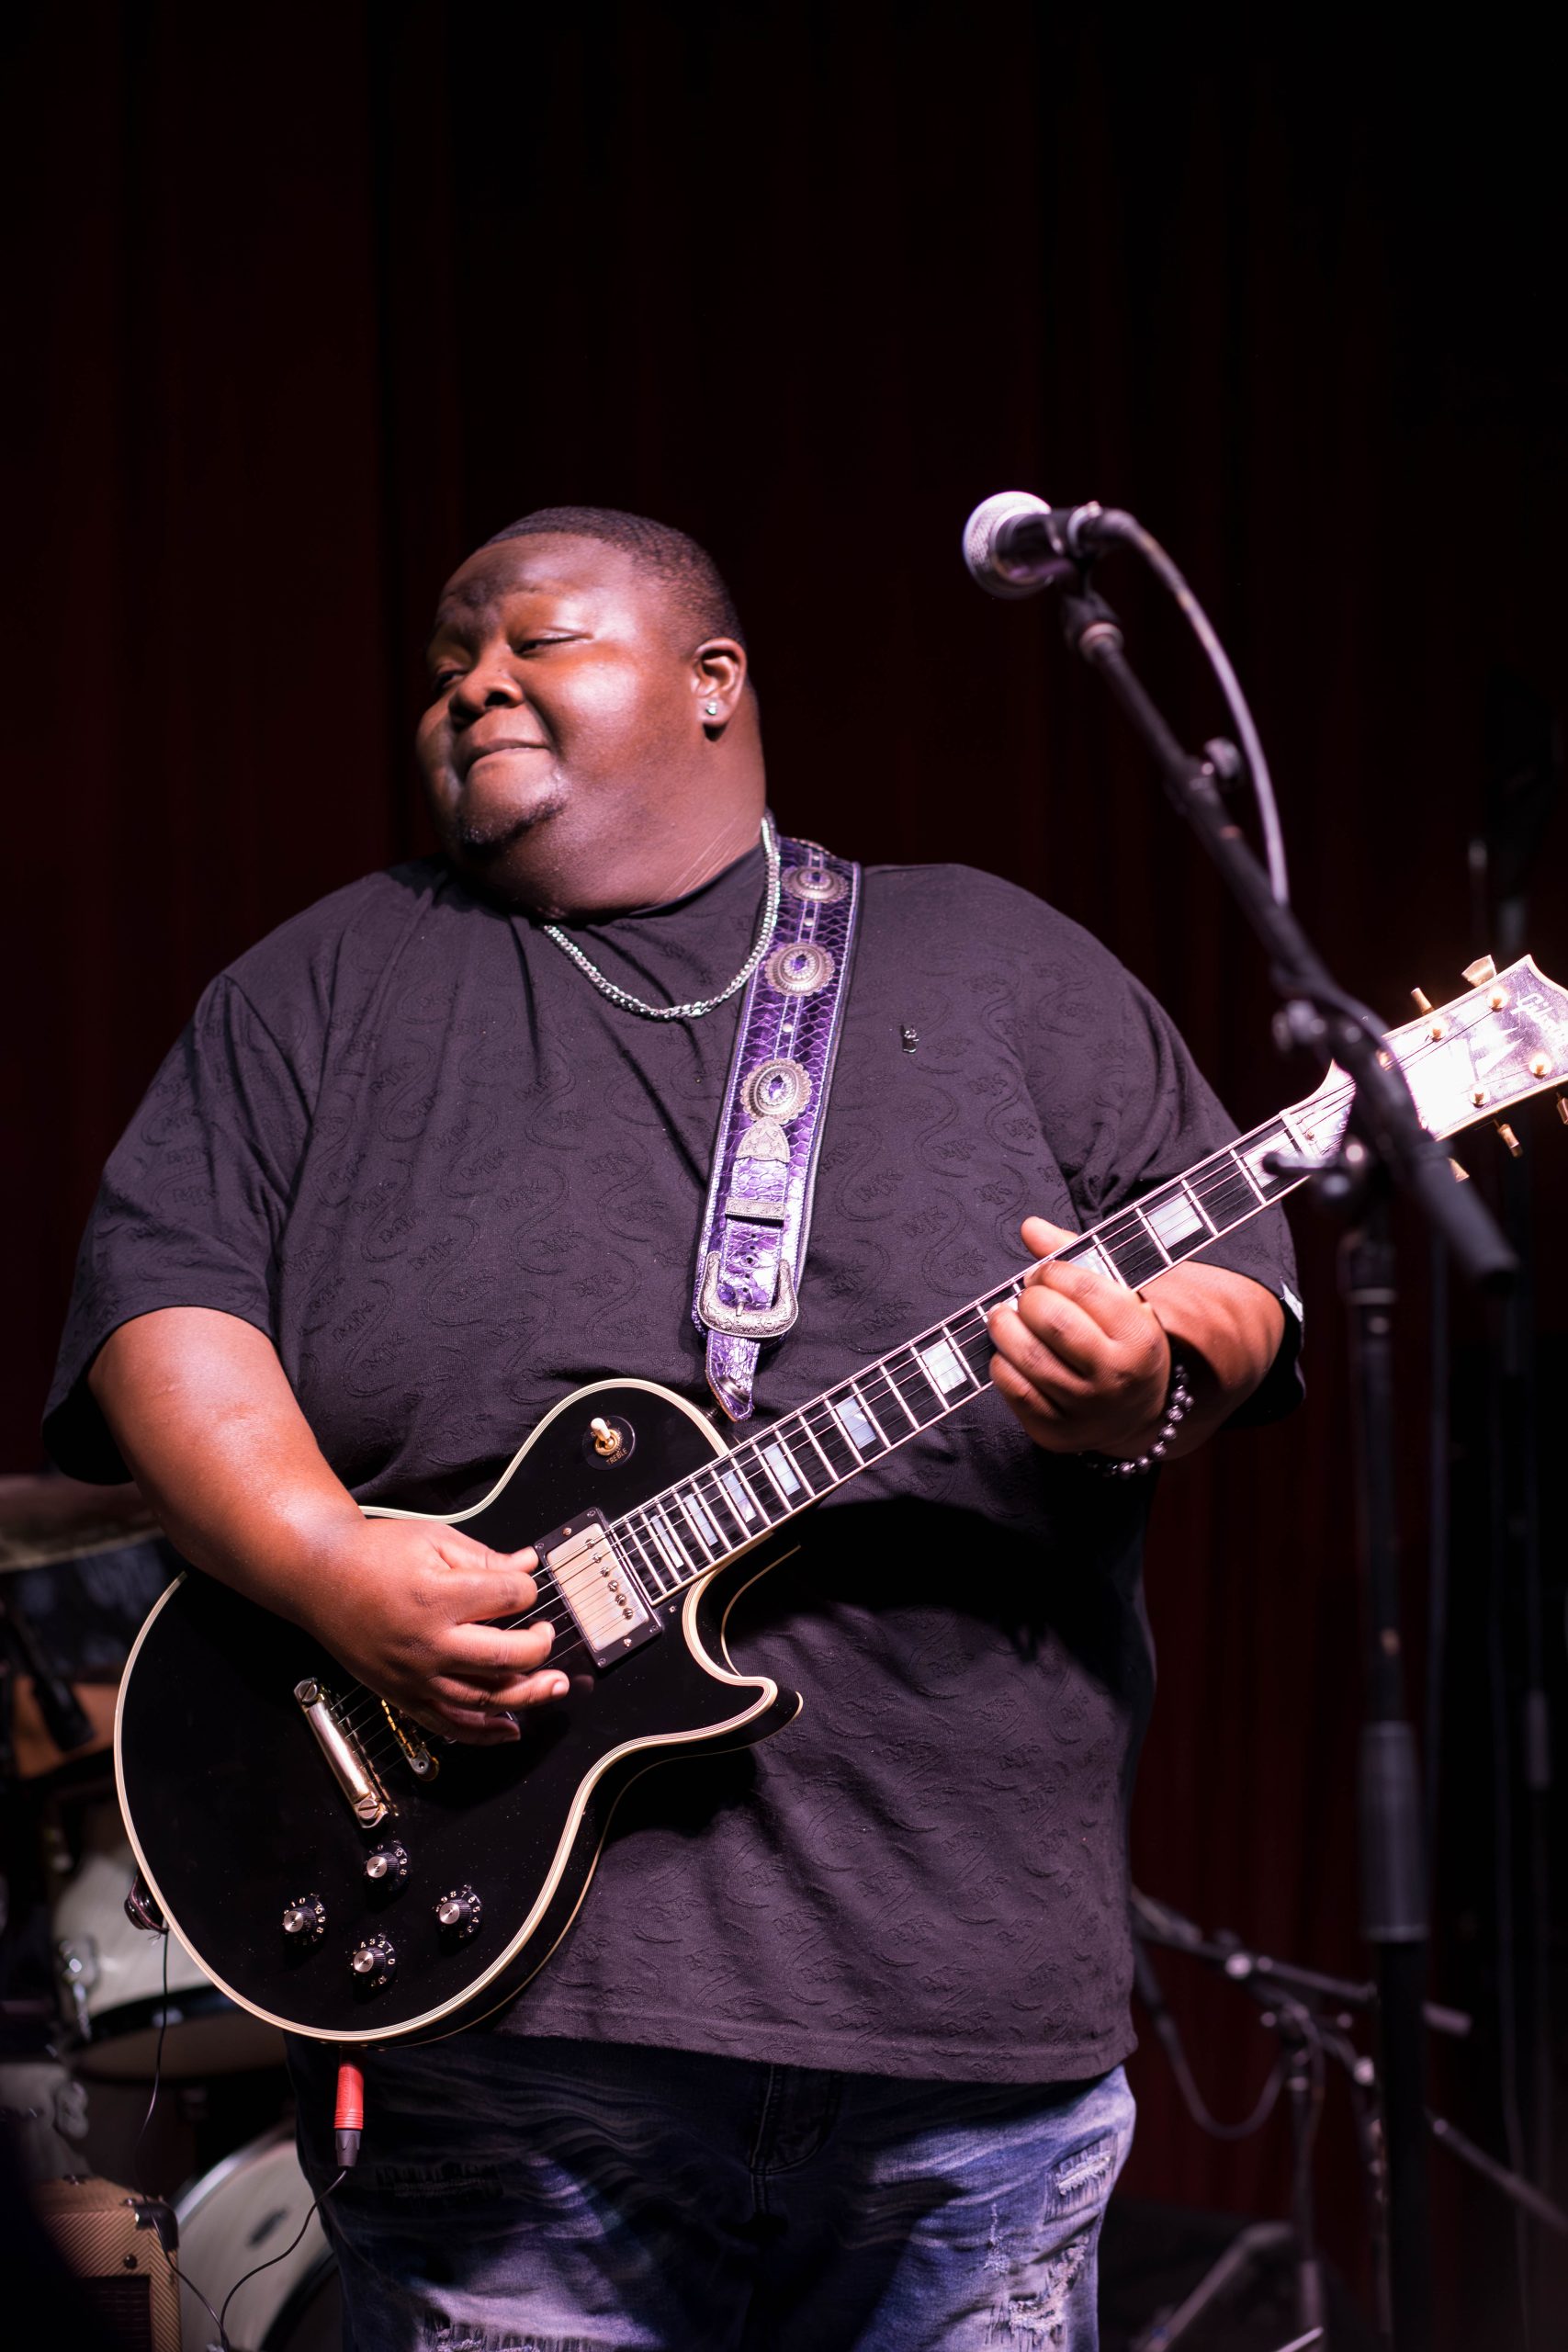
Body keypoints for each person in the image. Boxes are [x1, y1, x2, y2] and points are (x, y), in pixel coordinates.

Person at [45, 506, 1299, 2350]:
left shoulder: (995, 956)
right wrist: (324, 1563)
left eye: (534, 641)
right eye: (447, 662)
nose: (473, 682)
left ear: (715, 682)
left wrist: (1148, 1374)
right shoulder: (321, 984)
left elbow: (1233, 1276)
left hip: (967, 2022)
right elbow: (163, 1305)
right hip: (503, 2018)